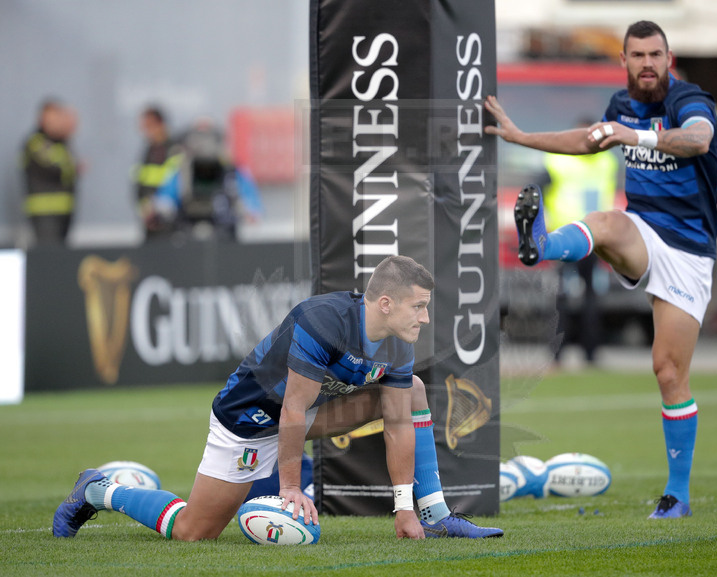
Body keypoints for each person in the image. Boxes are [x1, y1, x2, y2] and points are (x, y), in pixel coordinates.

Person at [53, 255, 503, 540]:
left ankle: (434, 515)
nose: (425, 318)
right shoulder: (321, 321)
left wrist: (403, 508)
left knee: (410, 392)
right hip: (250, 422)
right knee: (194, 532)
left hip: (308, 416)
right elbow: (291, 407)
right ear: (385, 303)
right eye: (418, 306)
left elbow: (398, 423)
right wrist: (289, 488)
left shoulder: (399, 343)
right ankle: (98, 489)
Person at [485, 20, 717, 519]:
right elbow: (587, 140)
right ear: (624, 60)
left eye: (656, 54)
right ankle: (542, 244)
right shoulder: (621, 104)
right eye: (638, 55)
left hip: (689, 251)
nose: (648, 63)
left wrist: (635, 135)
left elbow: (699, 140)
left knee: (668, 371)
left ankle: (677, 495)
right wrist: (521, 136)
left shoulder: (688, 100)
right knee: (610, 221)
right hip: (643, 230)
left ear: (669, 59)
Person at [539, 118, 619, 365]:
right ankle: (590, 354)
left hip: (567, 238)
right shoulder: (607, 161)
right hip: (592, 237)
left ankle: (559, 355)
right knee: (590, 297)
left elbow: (535, 192)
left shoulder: (558, 160)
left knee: (562, 297)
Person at [152, 118, 262, 241]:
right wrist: (162, 209)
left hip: (224, 232)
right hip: (187, 230)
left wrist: (249, 213)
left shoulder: (232, 172)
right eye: (198, 139)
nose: (203, 144)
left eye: (208, 138)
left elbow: (250, 201)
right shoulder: (181, 172)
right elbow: (165, 197)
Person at [20, 99, 80, 245]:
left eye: (58, 118)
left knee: (61, 253)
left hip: (64, 210)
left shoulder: (61, 143)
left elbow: (70, 167)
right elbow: (58, 169)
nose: (56, 122)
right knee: (50, 253)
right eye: (52, 118)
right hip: (44, 212)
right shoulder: (35, 143)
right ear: (42, 120)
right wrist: (73, 168)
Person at [132, 106, 183, 240]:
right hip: (150, 224)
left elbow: (179, 187)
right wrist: (145, 209)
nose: (146, 131)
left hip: (172, 225)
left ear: (161, 124)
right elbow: (140, 185)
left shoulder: (175, 150)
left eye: (149, 126)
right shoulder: (148, 151)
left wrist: (159, 207)